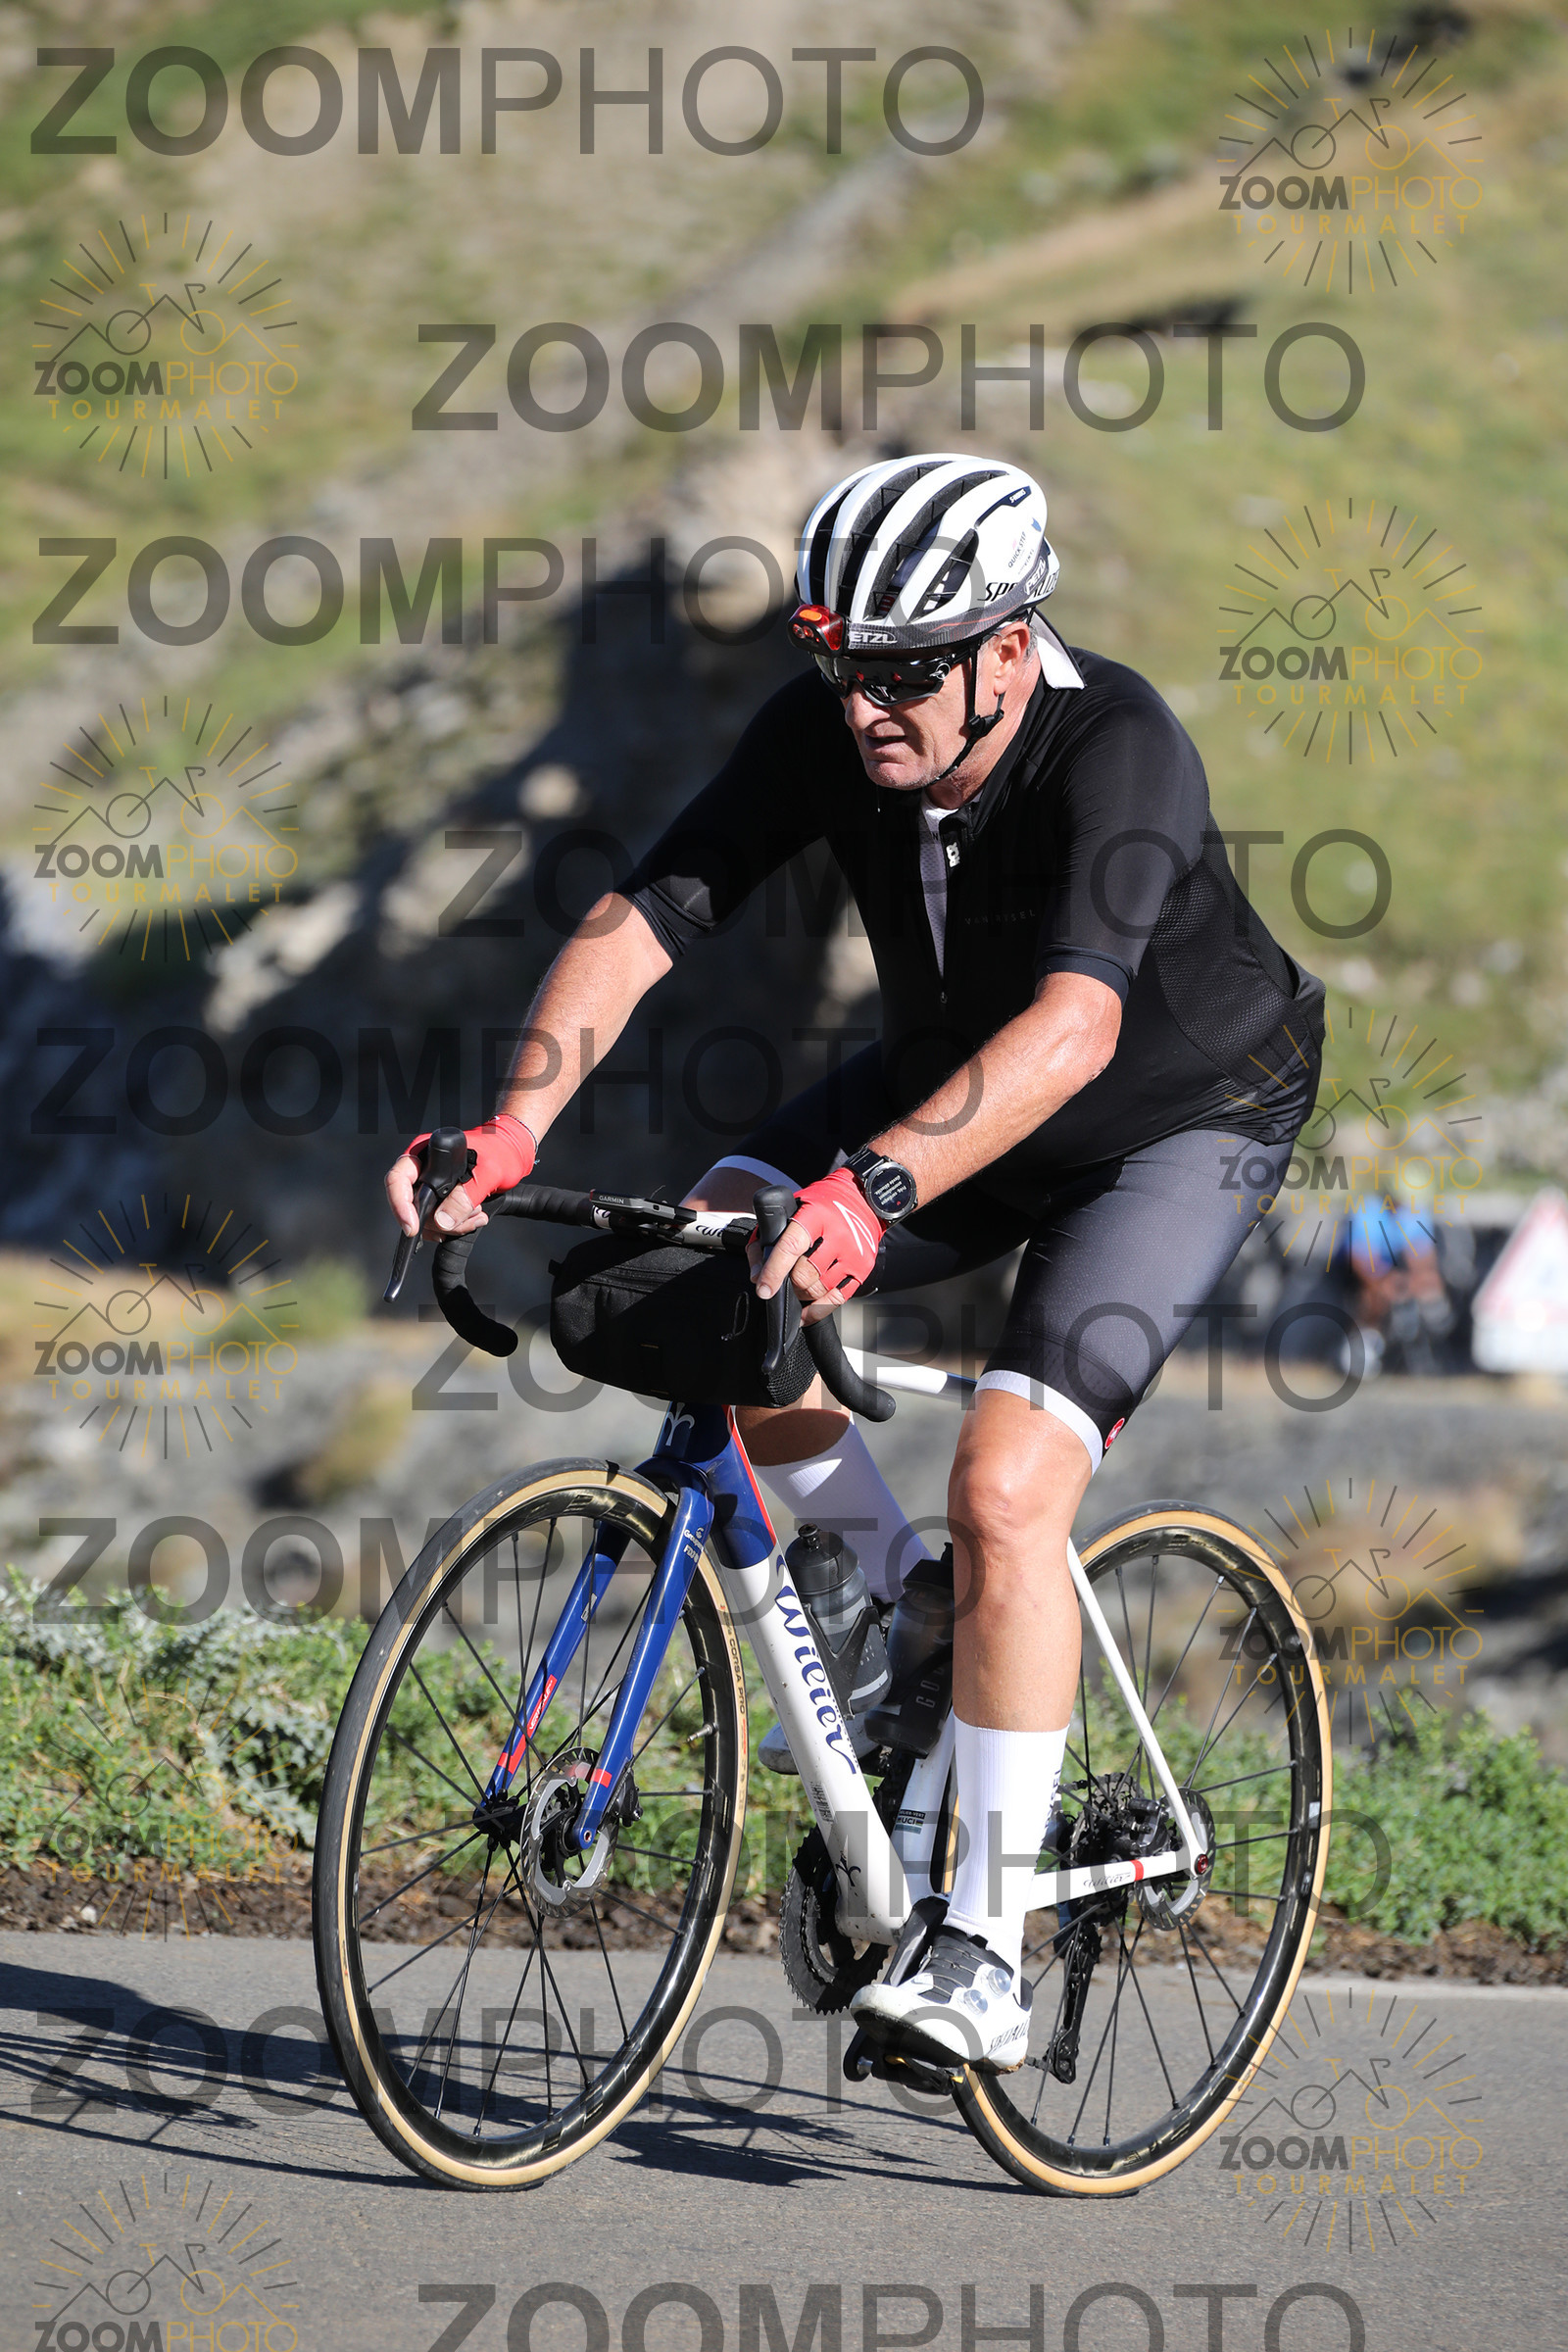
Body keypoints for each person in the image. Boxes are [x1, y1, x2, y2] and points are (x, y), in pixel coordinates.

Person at [386, 453, 1325, 2076]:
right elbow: (643, 920)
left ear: (1007, 650)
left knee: (1009, 1487)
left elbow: (1075, 1029)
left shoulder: (1122, 750)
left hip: (1174, 1118)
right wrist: (515, 1126)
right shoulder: (839, 727)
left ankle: (982, 1946)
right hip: (958, 1083)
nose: (866, 704)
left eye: (906, 672)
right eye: (839, 662)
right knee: (717, 1282)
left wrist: (873, 1193)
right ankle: (905, 1615)